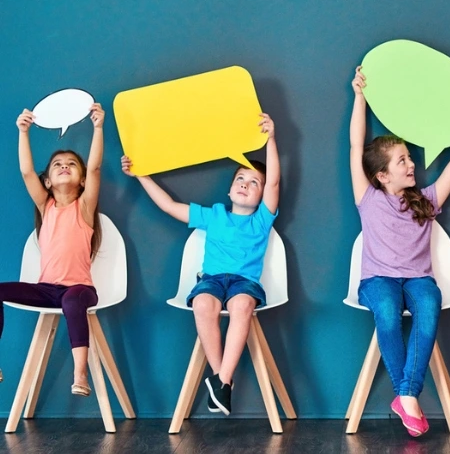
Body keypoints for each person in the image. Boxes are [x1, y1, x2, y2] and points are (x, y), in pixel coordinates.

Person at [350, 66, 450, 436]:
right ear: (382, 175)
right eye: (402, 161)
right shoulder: (368, 198)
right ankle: (408, 395)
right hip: (378, 279)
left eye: (410, 158)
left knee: (429, 306)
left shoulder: (426, 200)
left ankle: (405, 396)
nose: (411, 164)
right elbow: (355, 145)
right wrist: (360, 97)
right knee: (387, 310)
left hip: (418, 278)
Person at [121, 113, 281, 416]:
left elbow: (274, 179)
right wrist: (140, 174)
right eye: (240, 179)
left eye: (254, 183)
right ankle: (223, 382)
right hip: (212, 279)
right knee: (203, 304)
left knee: (242, 306)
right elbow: (169, 206)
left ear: (262, 196)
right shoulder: (214, 215)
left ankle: (220, 380)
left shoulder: (262, 219)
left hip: (243, 282)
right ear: (230, 189)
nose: (246, 185)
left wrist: (270, 138)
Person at [0, 104, 105, 396]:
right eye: (58, 164)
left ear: (82, 180)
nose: (64, 166)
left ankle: (80, 374)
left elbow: (95, 167)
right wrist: (23, 132)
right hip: (46, 289)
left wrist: (98, 128)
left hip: (80, 289)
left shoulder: (83, 208)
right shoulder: (46, 208)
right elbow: (25, 172)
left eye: (71, 164)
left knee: (72, 300)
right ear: (47, 181)